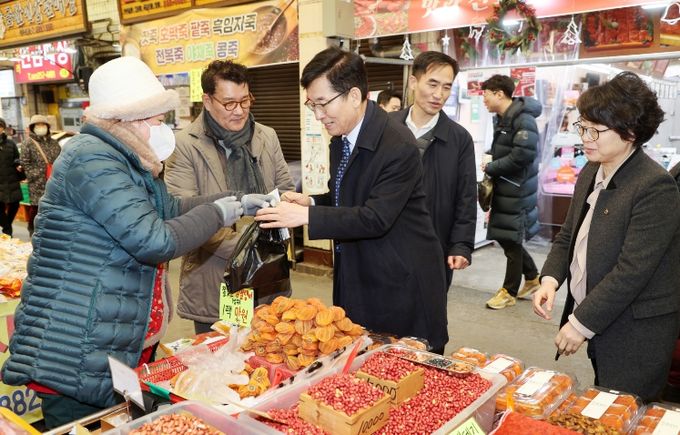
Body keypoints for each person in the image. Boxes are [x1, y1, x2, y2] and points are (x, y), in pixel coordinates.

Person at [1, 56, 271, 428]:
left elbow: (170, 208)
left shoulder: (128, 158)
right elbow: (153, 239)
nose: (163, 128)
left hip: (112, 341)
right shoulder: (92, 160)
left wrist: (236, 201)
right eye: (157, 120)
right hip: (78, 347)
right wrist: (218, 213)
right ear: (129, 119)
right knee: (85, 426)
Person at [255, 46, 449, 353]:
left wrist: (306, 218)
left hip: (400, 281)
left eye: (323, 104)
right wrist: (311, 203)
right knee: (357, 360)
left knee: (400, 367)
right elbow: (345, 198)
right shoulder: (341, 139)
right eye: (312, 105)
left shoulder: (397, 144)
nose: (318, 115)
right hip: (360, 272)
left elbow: (376, 217)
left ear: (354, 96)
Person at [533, 72, 680, 402]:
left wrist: (580, 323)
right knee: (604, 395)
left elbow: (632, 271)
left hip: (636, 331)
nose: (585, 138)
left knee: (626, 407)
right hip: (602, 315)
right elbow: (569, 234)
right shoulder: (592, 169)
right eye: (582, 127)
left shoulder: (654, 186)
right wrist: (550, 279)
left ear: (630, 133)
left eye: (595, 131)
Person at [165, 60, 294, 335]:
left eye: (245, 101)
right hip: (215, 279)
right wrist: (251, 252)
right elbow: (185, 214)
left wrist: (275, 238)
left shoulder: (266, 136)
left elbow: (284, 190)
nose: (239, 111)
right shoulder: (184, 145)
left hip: (269, 277)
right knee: (219, 357)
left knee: (268, 352)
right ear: (207, 100)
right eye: (229, 103)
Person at [391, 51, 476, 289]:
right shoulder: (386, 128)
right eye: (432, 84)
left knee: (429, 308)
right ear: (413, 82)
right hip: (386, 242)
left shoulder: (459, 139)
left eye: (447, 87)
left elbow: (466, 196)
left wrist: (461, 244)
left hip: (434, 246)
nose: (439, 94)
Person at [481, 74, 541, 310]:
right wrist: (490, 157)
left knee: (511, 239)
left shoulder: (523, 119)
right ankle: (532, 277)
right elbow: (505, 149)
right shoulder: (503, 118)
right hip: (506, 187)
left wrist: (492, 166)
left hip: (517, 189)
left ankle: (509, 291)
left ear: (499, 94)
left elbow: (522, 155)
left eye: (486, 95)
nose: (484, 100)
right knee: (506, 236)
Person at [21, 114, 61, 237]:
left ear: (48, 127)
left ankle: (51, 231)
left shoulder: (54, 143)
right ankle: (33, 230)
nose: (41, 127)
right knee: (37, 208)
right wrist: (35, 175)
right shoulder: (28, 143)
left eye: (43, 124)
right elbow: (25, 162)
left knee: (53, 207)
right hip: (37, 182)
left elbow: (61, 159)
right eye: (37, 125)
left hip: (54, 181)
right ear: (32, 127)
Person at [0, 118, 22, 236]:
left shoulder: (11, 143)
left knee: (15, 205)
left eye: (0, 126)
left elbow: (17, 158)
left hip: (11, 180)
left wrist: (18, 164)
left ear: (3, 128)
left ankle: (7, 228)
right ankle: (7, 229)